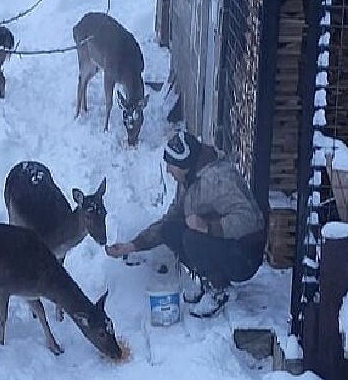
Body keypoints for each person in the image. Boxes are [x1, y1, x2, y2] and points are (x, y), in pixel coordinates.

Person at [106, 131, 266, 318]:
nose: (167, 170)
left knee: (192, 237)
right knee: (170, 230)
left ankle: (219, 290)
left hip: (245, 256)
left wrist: (209, 226)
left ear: (183, 165)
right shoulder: (188, 181)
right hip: (225, 246)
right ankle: (209, 281)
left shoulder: (218, 179)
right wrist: (133, 245)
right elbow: (170, 220)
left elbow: (251, 220)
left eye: (170, 165)